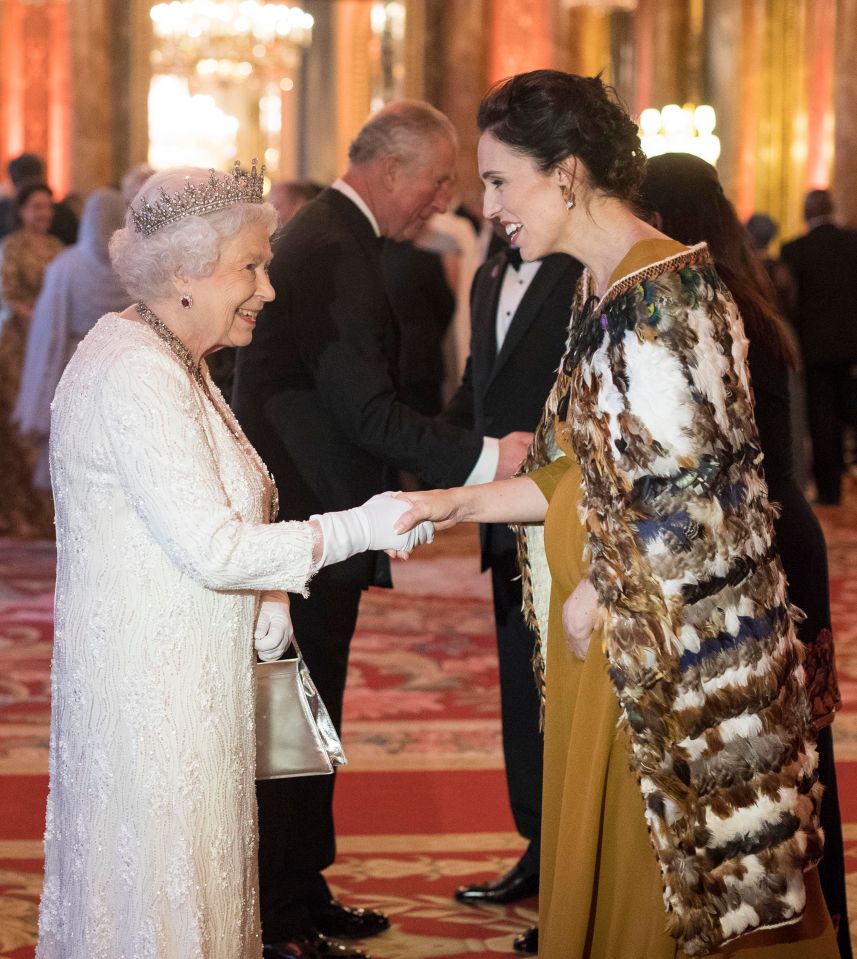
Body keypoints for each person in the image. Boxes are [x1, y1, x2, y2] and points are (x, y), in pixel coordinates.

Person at [394, 70, 838, 959]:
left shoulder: (665, 295)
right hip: (621, 651)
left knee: (673, 900)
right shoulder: (604, 288)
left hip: (670, 669)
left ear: (564, 172)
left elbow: (699, 500)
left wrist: (595, 592)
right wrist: (453, 500)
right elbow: (578, 474)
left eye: (496, 180)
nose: (487, 208)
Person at [35, 162, 433, 959]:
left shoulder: (173, 357)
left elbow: (209, 519)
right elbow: (214, 548)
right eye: (251, 266)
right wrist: (360, 525)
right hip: (156, 693)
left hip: (192, 680)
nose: (269, 289)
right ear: (184, 272)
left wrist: (270, 598)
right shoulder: (135, 372)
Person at [231, 101, 532, 959]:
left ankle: (301, 886)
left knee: (309, 714)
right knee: (294, 720)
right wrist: (483, 458)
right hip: (308, 527)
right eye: (439, 179)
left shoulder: (333, 234)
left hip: (321, 518)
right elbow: (365, 411)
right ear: (391, 169)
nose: (445, 199)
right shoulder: (332, 245)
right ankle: (281, 914)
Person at [639, 151, 851, 959]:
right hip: (787, 534)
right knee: (798, 758)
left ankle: (795, 933)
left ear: (660, 220)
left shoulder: (707, 306)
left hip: (759, 546)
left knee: (773, 760)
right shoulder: (747, 296)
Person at [442, 234, 581, 956]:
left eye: (501, 181)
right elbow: (479, 385)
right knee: (519, 689)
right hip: (501, 514)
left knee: (564, 689)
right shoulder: (492, 267)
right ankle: (535, 844)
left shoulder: (582, 266)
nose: (488, 204)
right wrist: (431, 457)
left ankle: (570, 866)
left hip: (560, 512)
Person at [14, 187, 129, 491]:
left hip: (73, 366)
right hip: (124, 368)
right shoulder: (134, 271)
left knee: (75, 456)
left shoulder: (66, 267)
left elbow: (49, 333)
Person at [780, 189, 857, 505]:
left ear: (806, 213)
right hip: (852, 343)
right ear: (833, 209)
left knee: (821, 415)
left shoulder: (795, 249)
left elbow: (788, 298)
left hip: (813, 346)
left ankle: (829, 490)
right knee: (850, 407)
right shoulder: (852, 242)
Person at [0, 181, 63, 536]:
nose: (43, 214)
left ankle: (43, 514)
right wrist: (38, 317)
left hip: (49, 349)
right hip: (17, 349)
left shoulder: (57, 248)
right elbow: (8, 295)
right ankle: (15, 513)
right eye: (36, 207)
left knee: (45, 428)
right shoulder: (12, 247)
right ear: (22, 211)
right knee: (16, 430)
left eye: (48, 207)